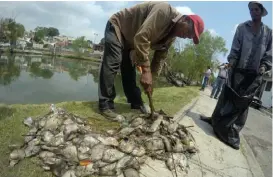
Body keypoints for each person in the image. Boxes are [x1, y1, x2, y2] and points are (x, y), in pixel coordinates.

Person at [98, 1, 204, 120]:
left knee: (129, 71)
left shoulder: (171, 37)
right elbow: (142, 37)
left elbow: (160, 58)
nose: (186, 36)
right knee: (114, 62)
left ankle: (137, 103)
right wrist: (146, 70)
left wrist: (151, 80)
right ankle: (105, 105)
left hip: (131, 41)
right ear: (185, 20)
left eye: (189, 37)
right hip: (118, 27)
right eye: (189, 32)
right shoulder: (164, 11)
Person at [200, 1, 272, 150]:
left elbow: (269, 54)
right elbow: (235, 47)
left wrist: (264, 66)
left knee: (243, 104)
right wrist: (231, 62)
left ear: (261, 11)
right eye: (251, 9)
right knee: (225, 96)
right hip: (238, 69)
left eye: (256, 9)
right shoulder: (242, 28)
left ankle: (233, 132)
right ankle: (214, 119)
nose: (253, 12)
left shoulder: (269, 33)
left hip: (254, 74)